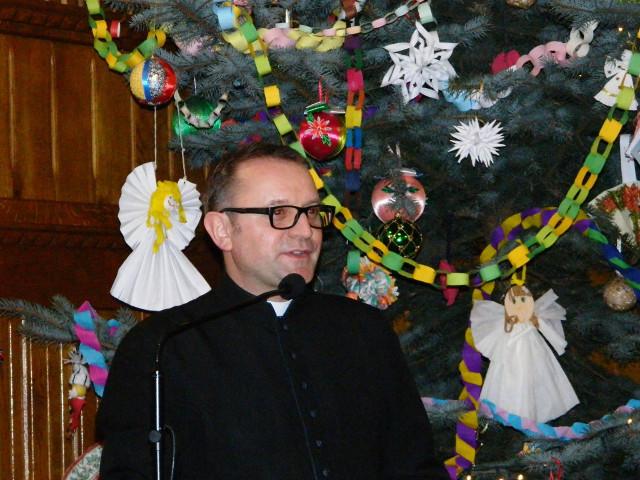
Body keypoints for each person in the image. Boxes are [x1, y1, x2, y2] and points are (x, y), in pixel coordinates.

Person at [97, 142, 448, 479]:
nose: (305, 231)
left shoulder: (364, 329)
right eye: (278, 213)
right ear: (222, 230)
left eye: (312, 212)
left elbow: (415, 466)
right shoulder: (162, 346)